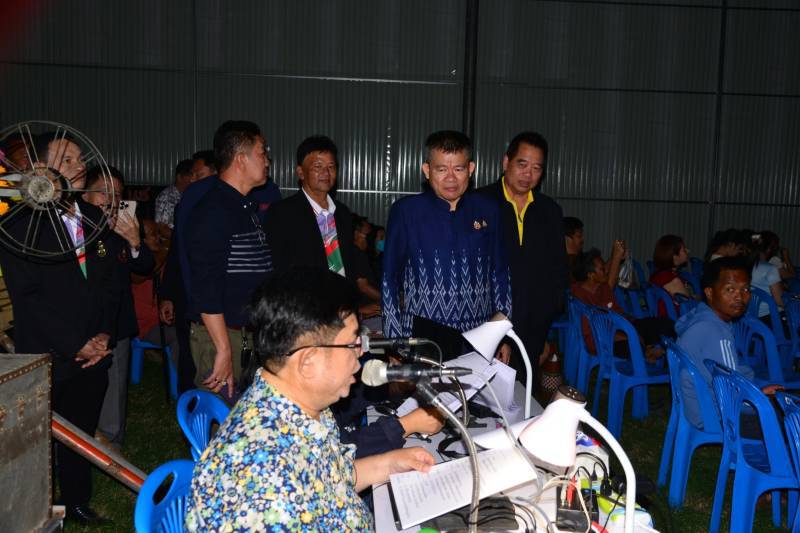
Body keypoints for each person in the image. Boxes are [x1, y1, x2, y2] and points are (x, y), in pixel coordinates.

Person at [185, 267, 434, 531]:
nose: (360, 354)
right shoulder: (265, 488)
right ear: (308, 361)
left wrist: (390, 463)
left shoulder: (301, 405)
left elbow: (334, 479)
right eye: (353, 343)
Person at [0, 134, 119, 524]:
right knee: (35, 438)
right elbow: (28, 298)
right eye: (67, 160)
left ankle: (77, 500)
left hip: (94, 352)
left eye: (80, 158)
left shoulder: (94, 217)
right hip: (49, 351)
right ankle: (36, 507)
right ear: (40, 169)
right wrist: (75, 343)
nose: (79, 166)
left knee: (81, 430)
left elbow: (110, 282)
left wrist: (104, 334)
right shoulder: (18, 225)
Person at [382, 130, 512, 359]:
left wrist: (502, 334)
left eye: (459, 169)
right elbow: (389, 279)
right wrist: (394, 341)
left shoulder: (489, 209)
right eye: (441, 169)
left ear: (470, 169)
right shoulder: (406, 212)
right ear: (427, 170)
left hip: (479, 336)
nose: (451, 178)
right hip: (422, 336)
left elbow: (500, 274)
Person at [184, 120, 271, 400]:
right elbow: (205, 286)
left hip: (244, 335)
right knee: (221, 417)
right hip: (223, 336)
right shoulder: (214, 210)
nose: (267, 161)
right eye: (262, 153)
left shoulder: (242, 207)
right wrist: (222, 349)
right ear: (241, 159)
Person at [478, 131, 567, 382]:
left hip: (532, 324)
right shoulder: (480, 203)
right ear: (506, 162)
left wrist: (546, 317)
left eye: (536, 168)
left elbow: (558, 268)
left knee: (523, 391)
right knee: (483, 392)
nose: (528, 174)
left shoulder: (549, 211)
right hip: (484, 322)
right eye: (522, 164)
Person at [83, 165, 155, 448]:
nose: (111, 200)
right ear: (83, 194)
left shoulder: (123, 227)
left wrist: (135, 241)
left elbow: (145, 265)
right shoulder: (71, 231)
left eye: (118, 194)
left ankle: (111, 446)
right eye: (104, 192)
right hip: (80, 325)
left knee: (114, 390)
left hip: (116, 325)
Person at [676, 256, 783, 431]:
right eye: (730, 289)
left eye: (746, 289)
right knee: (789, 420)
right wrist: (760, 397)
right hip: (718, 416)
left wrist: (758, 388)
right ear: (710, 292)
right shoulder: (716, 332)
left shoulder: (701, 316)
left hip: (699, 406)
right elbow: (730, 390)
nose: (740, 296)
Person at [265, 135, 359, 280]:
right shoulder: (282, 213)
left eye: (331, 166)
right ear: (301, 172)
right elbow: (277, 267)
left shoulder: (343, 213)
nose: (326, 173)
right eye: (318, 166)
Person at [572, 249, 674, 359]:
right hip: (602, 340)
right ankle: (646, 355)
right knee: (634, 345)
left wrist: (631, 328)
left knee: (667, 325)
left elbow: (617, 312)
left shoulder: (603, 287)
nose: (606, 270)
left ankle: (656, 356)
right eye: (602, 269)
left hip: (621, 327)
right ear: (591, 275)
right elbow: (595, 332)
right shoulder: (580, 296)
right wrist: (628, 335)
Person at [650, 234, 691, 315]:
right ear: (675, 257)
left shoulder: (656, 275)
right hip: (675, 320)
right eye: (684, 250)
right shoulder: (673, 280)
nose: (688, 251)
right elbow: (689, 306)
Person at [751, 231, 784, 319]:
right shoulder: (770, 269)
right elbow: (780, 302)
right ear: (769, 249)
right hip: (771, 318)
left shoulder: (744, 265)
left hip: (751, 317)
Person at [154, 158, 193, 230]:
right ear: (179, 177)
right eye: (190, 176)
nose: (193, 180)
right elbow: (161, 228)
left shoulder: (188, 194)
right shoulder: (166, 196)